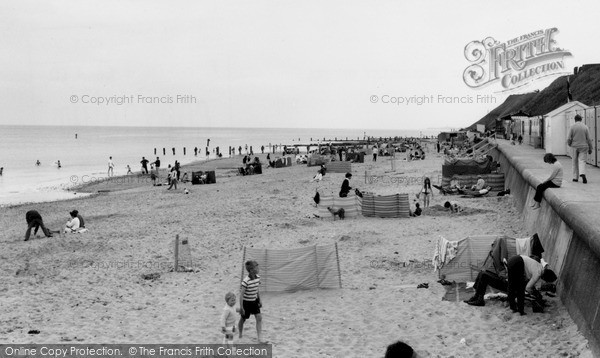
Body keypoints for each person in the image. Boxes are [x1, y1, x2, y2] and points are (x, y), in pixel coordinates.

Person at [239, 260, 263, 343]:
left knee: (259, 317)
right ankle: (240, 333)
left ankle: (259, 338)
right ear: (252, 270)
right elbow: (241, 295)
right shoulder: (246, 281)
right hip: (246, 303)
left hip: (254, 301)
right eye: (257, 266)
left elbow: (257, 289)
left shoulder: (258, 278)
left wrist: (259, 300)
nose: (258, 268)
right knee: (243, 319)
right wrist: (241, 307)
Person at [567, 114, 593, 183]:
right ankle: (582, 173)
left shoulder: (572, 127)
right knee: (582, 161)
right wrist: (590, 148)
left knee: (574, 161)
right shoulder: (585, 127)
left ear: (575, 120)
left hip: (574, 146)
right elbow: (589, 139)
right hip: (584, 146)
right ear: (581, 119)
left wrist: (569, 144)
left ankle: (575, 177)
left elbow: (569, 138)